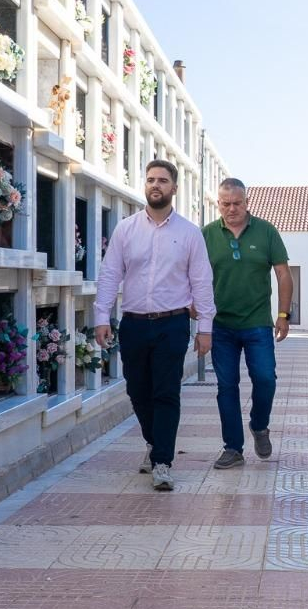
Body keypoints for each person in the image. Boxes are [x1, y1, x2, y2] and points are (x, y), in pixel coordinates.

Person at [94, 160, 216, 491]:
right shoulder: (126, 229)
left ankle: (162, 460)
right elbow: (110, 275)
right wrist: (101, 317)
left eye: (163, 180)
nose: (155, 185)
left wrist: (205, 327)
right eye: (150, 180)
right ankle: (154, 441)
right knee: (137, 390)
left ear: (174, 188)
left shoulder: (189, 233)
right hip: (133, 323)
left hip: (172, 323)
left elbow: (202, 282)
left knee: (166, 391)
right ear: (144, 185)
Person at [202, 178, 292, 469]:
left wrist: (283, 314)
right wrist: (197, 311)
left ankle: (259, 425)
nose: (231, 209)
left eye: (237, 203)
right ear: (219, 204)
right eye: (225, 204)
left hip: (257, 323)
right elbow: (193, 275)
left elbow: (283, 275)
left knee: (266, 379)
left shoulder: (266, 231)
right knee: (227, 386)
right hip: (221, 324)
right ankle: (233, 448)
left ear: (246, 202)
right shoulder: (206, 235)